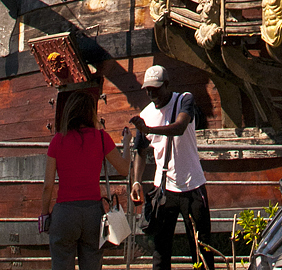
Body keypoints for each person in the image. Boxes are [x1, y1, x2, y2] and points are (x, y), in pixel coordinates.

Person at [130, 64, 212, 270]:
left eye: (156, 89)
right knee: (160, 250)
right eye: (147, 89)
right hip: (164, 190)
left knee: (201, 248)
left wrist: (149, 129)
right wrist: (137, 181)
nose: (151, 94)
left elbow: (180, 127)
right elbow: (140, 150)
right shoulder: (146, 114)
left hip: (192, 186)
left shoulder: (184, 100)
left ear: (167, 85)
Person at [41, 91, 130, 270]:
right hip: (93, 214)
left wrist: (45, 214)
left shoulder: (57, 140)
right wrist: (126, 143)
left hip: (64, 214)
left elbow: (48, 186)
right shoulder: (101, 138)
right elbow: (124, 169)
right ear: (91, 113)